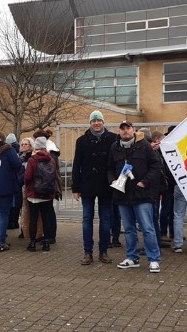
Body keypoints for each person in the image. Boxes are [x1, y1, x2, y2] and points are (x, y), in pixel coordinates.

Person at [108, 121, 162, 273]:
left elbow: (155, 165)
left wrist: (145, 182)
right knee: (129, 228)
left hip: (142, 194)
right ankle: (132, 258)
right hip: (122, 194)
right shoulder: (115, 147)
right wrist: (112, 180)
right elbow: (110, 167)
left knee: (147, 227)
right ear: (119, 131)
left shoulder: (143, 145)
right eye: (122, 129)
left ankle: (154, 259)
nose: (125, 131)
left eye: (128, 128)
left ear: (133, 130)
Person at [72, 110, 118, 265]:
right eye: (93, 120)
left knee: (106, 219)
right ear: (90, 123)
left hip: (107, 185)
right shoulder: (82, 140)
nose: (96, 123)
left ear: (103, 122)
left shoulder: (113, 139)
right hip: (87, 184)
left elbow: (117, 162)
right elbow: (77, 165)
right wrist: (75, 188)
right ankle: (88, 252)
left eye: (99, 120)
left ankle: (103, 251)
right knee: (87, 219)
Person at [24, 137, 58, 252]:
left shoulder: (32, 160)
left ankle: (32, 243)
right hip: (47, 194)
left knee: (33, 218)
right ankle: (46, 243)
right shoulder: (51, 160)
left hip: (34, 193)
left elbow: (27, 177)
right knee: (46, 218)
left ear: (35, 147)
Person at [33, 128, 60, 243]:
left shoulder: (50, 152)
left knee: (48, 211)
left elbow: (49, 169)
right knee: (47, 211)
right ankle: (48, 234)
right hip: (49, 183)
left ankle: (50, 236)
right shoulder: (52, 149)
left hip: (48, 185)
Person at [18, 138, 43, 240]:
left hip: (30, 186)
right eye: (22, 144)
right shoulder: (20, 157)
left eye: (26, 144)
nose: (24, 146)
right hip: (22, 186)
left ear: (31, 145)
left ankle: (37, 233)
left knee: (34, 212)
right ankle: (25, 231)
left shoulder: (31, 157)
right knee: (24, 210)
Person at [159, 126, 176, 243]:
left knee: (174, 209)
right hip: (167, 184)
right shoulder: (162, 148)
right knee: (166, 208)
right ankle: (163, 232)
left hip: (176, 183)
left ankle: (174, 232)